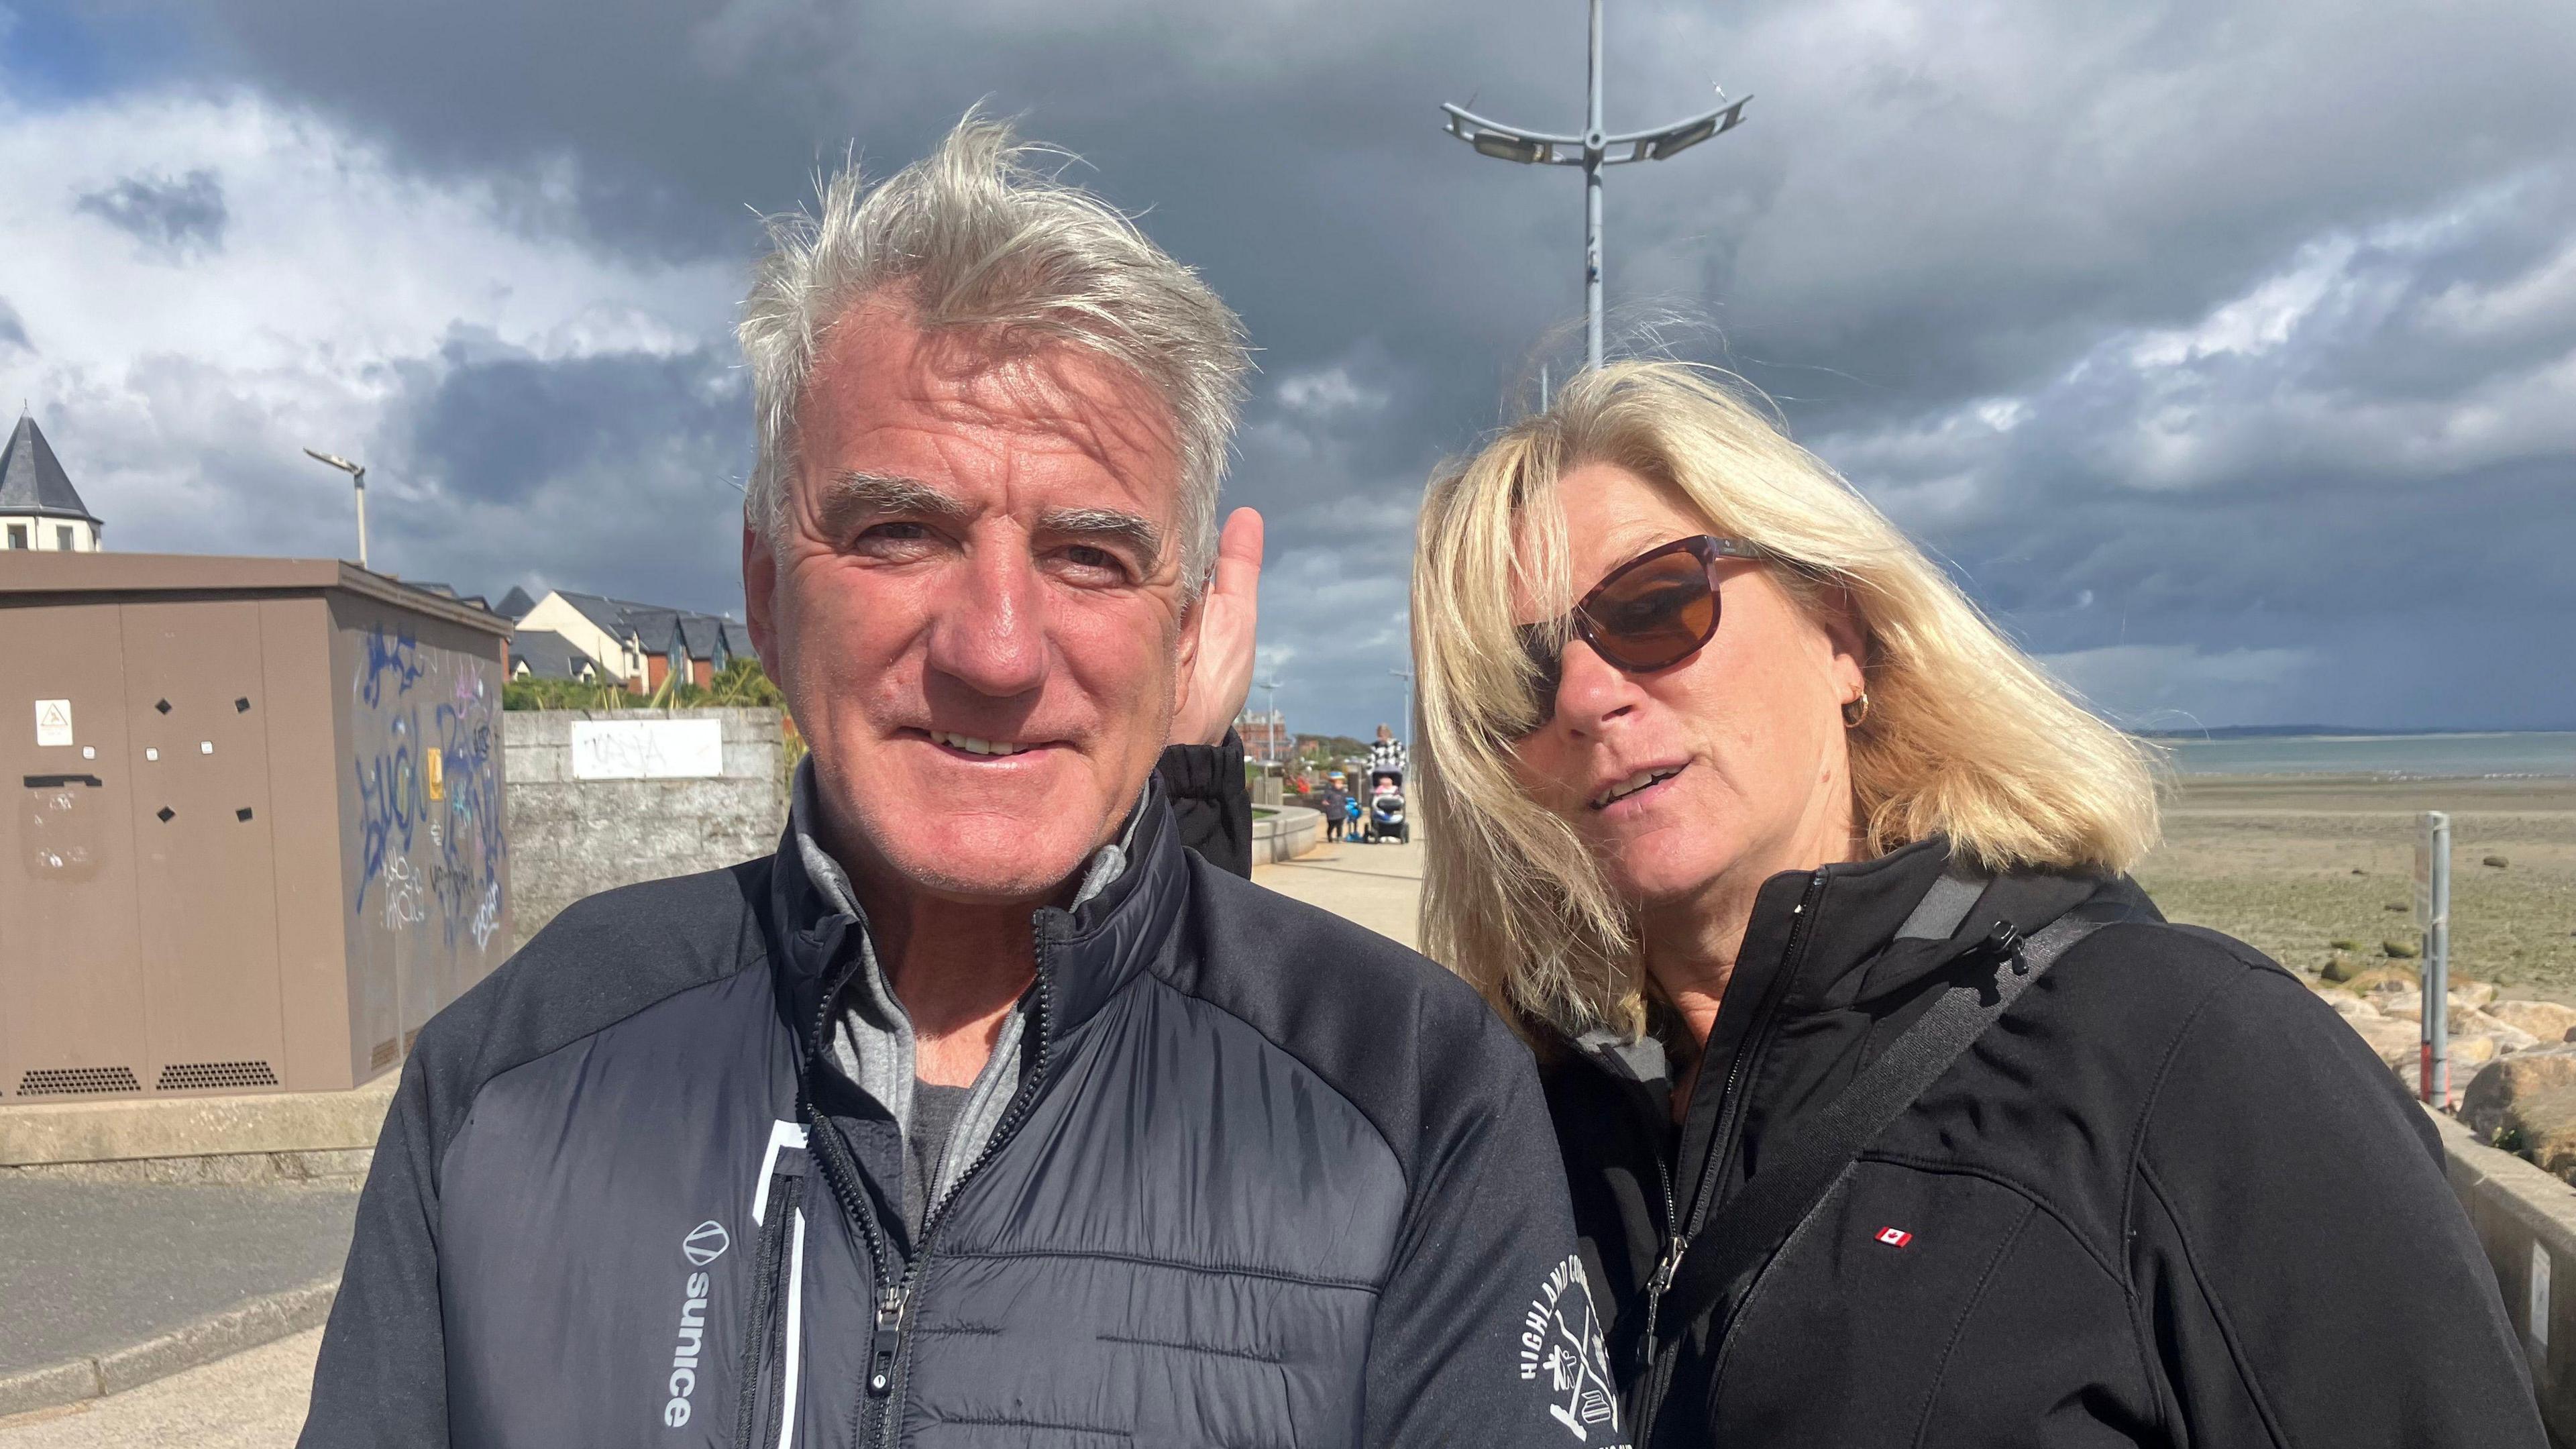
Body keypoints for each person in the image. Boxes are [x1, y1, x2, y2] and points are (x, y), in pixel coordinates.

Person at [301, 116, 1610, 1449]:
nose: (995, 650)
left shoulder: (1413, 1090)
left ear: (1191, 625)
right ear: (765, 591)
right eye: (899, 533)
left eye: (1090, 556)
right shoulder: (513, 1072)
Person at [1406, 360, 2546, 1448]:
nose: (1589, 696)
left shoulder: (2185, 1053)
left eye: (1655, 605)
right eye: (1519, 678)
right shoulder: (1531, 1124)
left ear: (1841, 634)